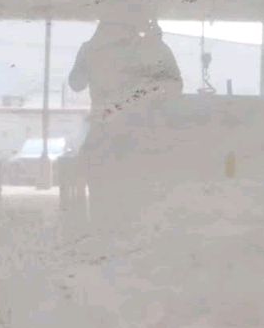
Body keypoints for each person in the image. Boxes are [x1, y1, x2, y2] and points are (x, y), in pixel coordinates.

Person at [67, 19, 183, 224]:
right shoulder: (148, 48)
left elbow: (174, 87)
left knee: (121, 200)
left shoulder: (147, 48)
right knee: (121, 200)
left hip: (126, 134)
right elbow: (76, 83)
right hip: (127, 134)